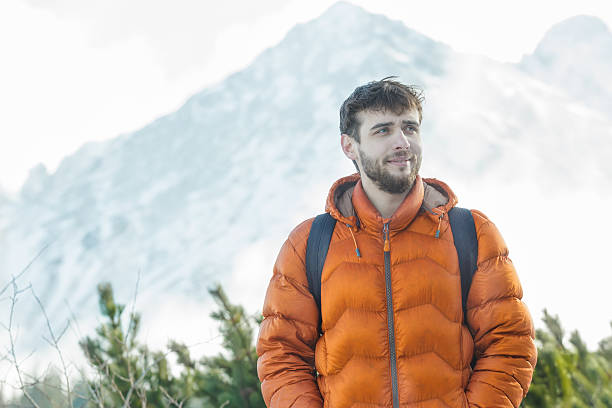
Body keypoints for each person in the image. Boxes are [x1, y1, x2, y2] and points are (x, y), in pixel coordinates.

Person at [256, 77, 537, 408]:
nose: (402, 142)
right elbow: (281, 355)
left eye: (410, 128)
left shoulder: (471, 233)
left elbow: (510, 343)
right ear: (349, 146)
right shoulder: (309, 244)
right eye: (383, 131)